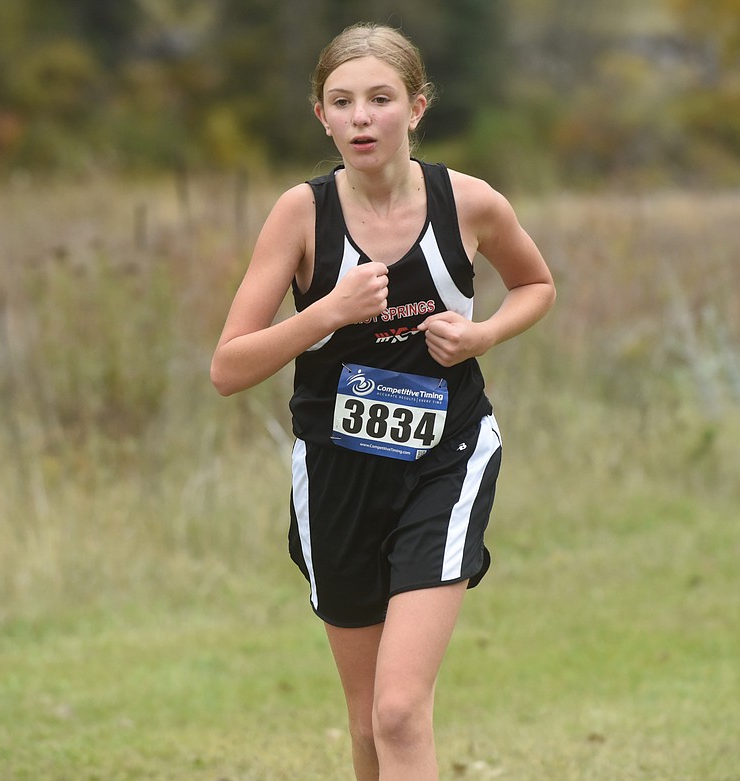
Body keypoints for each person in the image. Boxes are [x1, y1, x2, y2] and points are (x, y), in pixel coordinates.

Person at [210, 22, 555, 781]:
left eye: (380, 98)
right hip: (338, 473)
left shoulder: (468, 203)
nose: (361, 117)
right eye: (342, 102)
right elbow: (228, 367)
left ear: (417, 107)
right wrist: (326, 312)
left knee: (400, 709)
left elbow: (537, 284)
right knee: (369, 720)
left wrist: (484, 334)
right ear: (321, 117)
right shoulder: (300, 216)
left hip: (446, 458)